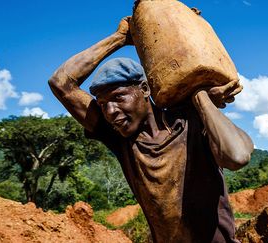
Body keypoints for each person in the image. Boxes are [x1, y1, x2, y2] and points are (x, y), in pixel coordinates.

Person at [48, 17, 254, 243]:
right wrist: (120, 38)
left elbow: (237, 156)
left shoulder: (189, 123)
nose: (111, 111)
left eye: (118, 98)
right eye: (102, 104)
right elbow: (61, 83)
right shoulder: (123, 140)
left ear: (145, 89)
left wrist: (200, 96)